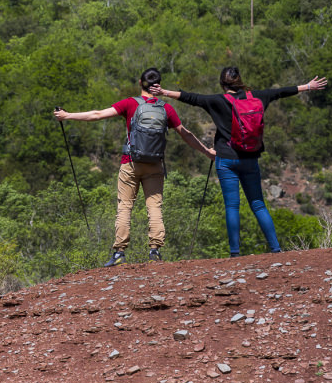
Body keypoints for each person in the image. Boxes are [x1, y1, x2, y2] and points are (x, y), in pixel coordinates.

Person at [151, 67, 328, 257]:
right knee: (258, 204)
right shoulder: (258, 97)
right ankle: (276, 249)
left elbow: (192, 98)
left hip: (226, 159)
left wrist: (164, 92)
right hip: (250, 159)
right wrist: (308, 86)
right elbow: (280, 92)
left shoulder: (217, 101)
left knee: (232, 206)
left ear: (222, 83)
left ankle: (235, 253)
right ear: (240, 81)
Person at [54, 67, 215, 266]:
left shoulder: (130, 104)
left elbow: (97, 115)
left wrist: (67, 116)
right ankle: (154, 251)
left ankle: (119, 253)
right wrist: (208, 152)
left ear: (140, 83)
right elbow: (186, 134)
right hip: (155, 164)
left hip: (130, 163)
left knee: (124, 207)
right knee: (154, 206)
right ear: (159, 85)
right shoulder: (166, 109)